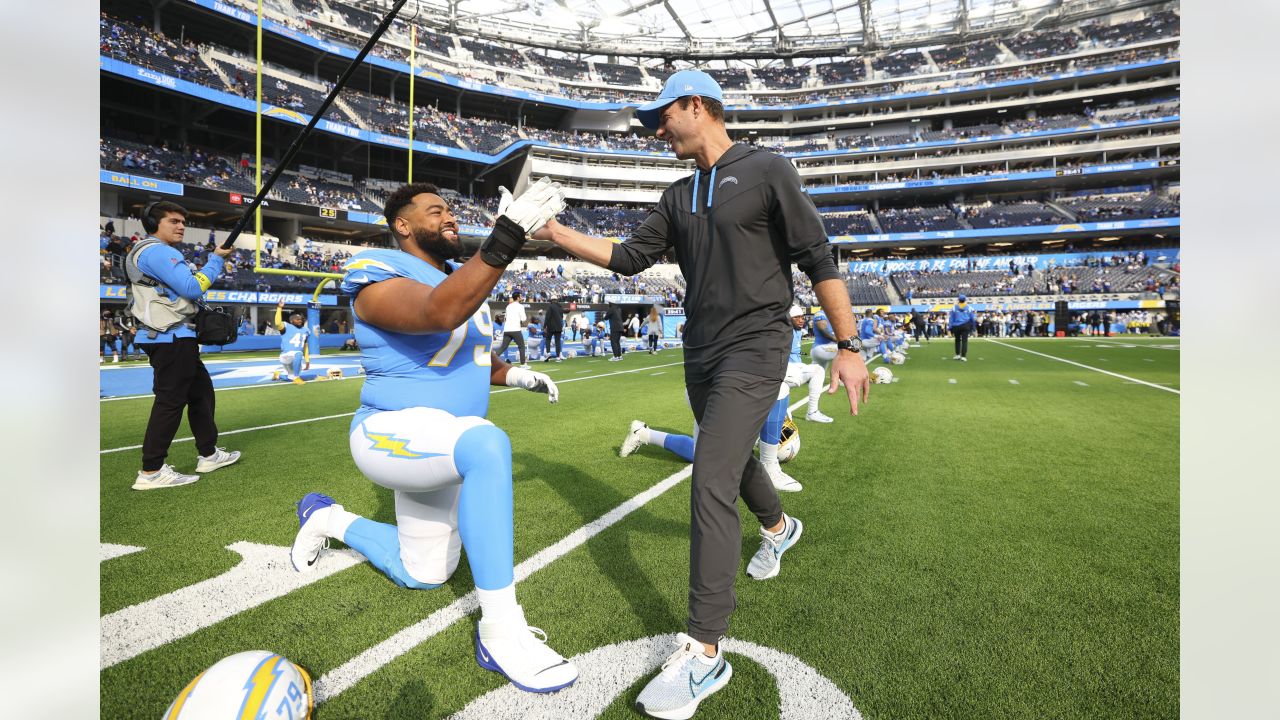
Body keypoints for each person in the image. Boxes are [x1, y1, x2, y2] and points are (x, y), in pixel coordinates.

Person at [530, 70, 869, 719]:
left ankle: (705, 652)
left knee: (709, 479)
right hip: (700, 353)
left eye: (662, 115)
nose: (656, 129)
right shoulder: (675, 194)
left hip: (756, 346)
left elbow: (818, 258)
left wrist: (849, 346)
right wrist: (556, 233)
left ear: (695, 105)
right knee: (733, 463)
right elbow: (629, 257)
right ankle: (779, 526)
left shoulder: (768, 169)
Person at [287, 179, 580, 693]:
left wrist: (515, 375)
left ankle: (326, 517)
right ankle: (500, 630)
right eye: (434, 211)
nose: (448, 217)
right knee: (487, 444)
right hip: (388, 434)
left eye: (450, 210)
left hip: (440, 444)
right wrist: (507, 236)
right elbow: (435, 314)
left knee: (422, 573)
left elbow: (469, 355)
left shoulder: (459, 278)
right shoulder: (379, 273)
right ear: (402, 225)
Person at [125, 201, 240, 490]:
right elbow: (191, 288)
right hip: (169, 336)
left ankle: (209, 454)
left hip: (172, 336)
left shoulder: (149, 251)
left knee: (201, 393)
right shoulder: (158, 251)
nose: (181, 226)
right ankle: (151, 471)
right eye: (173, 221)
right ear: (155, 224)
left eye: (182, 221)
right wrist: (216, 260)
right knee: (170, 401)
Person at [784, 306, 833, 423]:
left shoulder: (798, 330)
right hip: (784, 370)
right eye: (797, 318)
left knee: (818, 370)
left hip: (794, 368)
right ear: (788, 319)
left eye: (802, 317)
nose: (801, 320)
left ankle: (812, 412)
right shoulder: (784, 331)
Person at [273, 299, 311, 385]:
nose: (299, 320)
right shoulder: (286, 326)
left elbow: (305, 346)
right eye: (296, 319)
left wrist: (307, 360)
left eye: (300, 319)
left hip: (295, 357)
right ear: (291, 321)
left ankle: (278, 375)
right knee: (298, 353)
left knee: (291, 377)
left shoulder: (306, 330)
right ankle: (297, 378)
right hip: (286, 355)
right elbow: (278, 323)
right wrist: (279, 308)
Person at [495, 288, 529, 367]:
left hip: (507, 329)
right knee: (521, 346)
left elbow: (506, 317)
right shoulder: (520, 306)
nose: (521, 297)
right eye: (520, 296)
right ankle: (523, 364)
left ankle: (492, 360)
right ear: (517, 298)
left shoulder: (508, 306)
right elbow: (523, 319)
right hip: (515, 329)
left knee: (503, 347)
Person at [948, 294, 977, 361]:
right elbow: (972, 318)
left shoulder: (954, 307)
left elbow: (951, 319)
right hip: (965, 325)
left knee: (957, 340)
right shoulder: (969, 307)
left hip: (956, 326)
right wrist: (974, 328)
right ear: (965, 300)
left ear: (958, 300)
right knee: (964, 341)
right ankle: (963, 356)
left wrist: (949, 328)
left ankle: (958, 355)